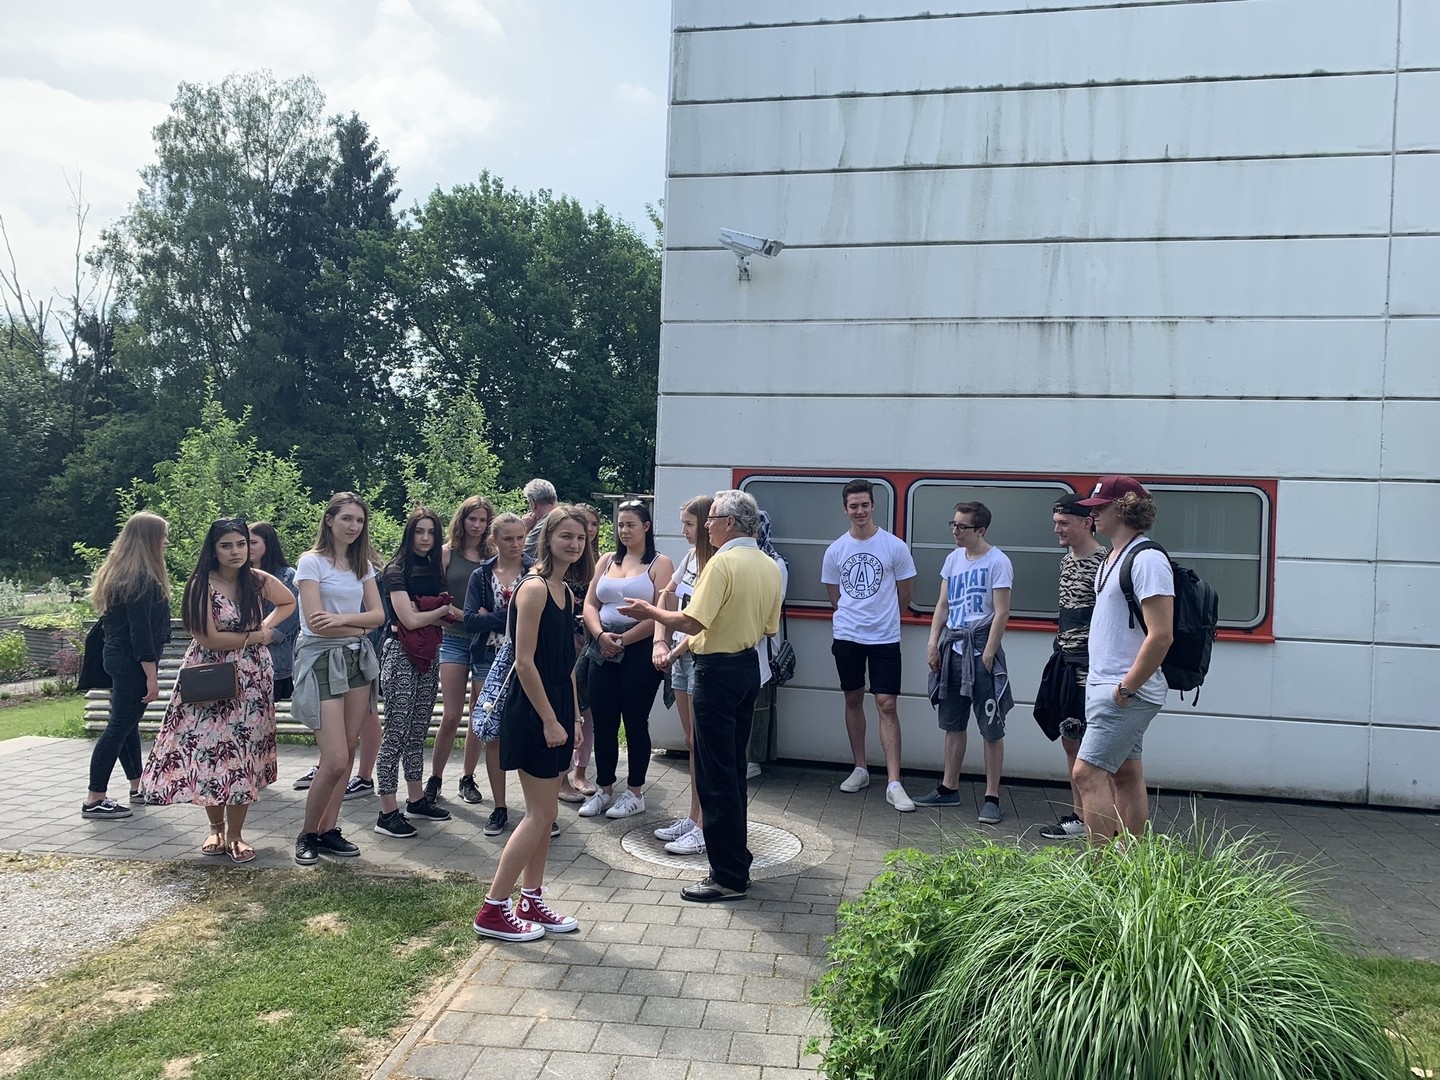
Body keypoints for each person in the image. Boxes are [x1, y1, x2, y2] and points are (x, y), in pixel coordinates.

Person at [619, 489, 782, 903]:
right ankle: (735, 862)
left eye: (711, 518)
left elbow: (691, 622)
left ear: (730, 523)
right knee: (732, 770)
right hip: (747, 667)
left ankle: (726, 876)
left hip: (718, 671)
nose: (707, 525)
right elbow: (768, 627)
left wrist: (650, 612)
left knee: (714, 775)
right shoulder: (768, 564)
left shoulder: (722, 562)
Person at [140, 517, 295, 862]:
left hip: (253, 677)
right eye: (226, 545)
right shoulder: (200, 584)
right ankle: (215, 829)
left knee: (244, 753)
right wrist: (257, 635)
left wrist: (265, 625)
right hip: (209, 674)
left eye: (241, 544)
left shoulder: (256, 580)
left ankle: (237, 835)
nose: (236, 551)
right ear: (213, 550)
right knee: (211, 753)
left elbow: (288, 602)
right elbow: (209, 638)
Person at [472, 506, 594, 941]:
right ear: (546, 537)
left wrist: (574, 717)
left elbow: (566, 666)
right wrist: (549, 719)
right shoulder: (535, 589)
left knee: (547, 812)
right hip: (533, 711)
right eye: (565, 535)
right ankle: (493, 909)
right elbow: (524, 663)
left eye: (580, 537)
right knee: (540, 813)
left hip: (559, 709)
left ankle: (532, 899)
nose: (574, 543)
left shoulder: (567, 591)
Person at [1072, 476, 1174, 843]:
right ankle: (1132, 864)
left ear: (1125, 508)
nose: (1093, 514)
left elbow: (1161, 634)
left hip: (1124, 688)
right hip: (1108, 685)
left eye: (1100, 507)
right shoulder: (1113, 557)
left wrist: (1126, 689)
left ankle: (1100, 872)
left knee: (1085, 773)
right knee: (1126, 774)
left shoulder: (1147, 560)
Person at [291, 493, 386, 865]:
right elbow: (316, 623)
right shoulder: (310, 563)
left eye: (359, 521)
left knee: (348, 749)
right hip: (320, 661)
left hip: (356, 659)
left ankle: (328, 830)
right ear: (329, 520)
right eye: (346, 518)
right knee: (333, 758)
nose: (353, 526)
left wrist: (349, 626)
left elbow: (378, 616)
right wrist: (357, 627)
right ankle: (306, 834)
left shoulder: (361, 565)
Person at [820, 478, 918, 811]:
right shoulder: (835, 550)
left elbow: (906, 594)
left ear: (873, 506)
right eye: (853, 506)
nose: (859, 511)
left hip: (885, 638)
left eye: (865, 505)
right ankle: (860, 767)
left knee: (887, 704)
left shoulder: (894, 547)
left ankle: (894, 782)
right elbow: (836, 597)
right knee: (853, 698)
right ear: (845, 509)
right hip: (847, 636)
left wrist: (884, 616)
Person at [916, 502, 1014, 823]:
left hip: (980, 647)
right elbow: (942, 605)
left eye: (962, 527)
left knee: (990, 727)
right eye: (953, 525)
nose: (955, 532)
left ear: (980, 530)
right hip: (953, 649)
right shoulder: (953, 559)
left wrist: (989, 652)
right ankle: (949, 788)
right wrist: (933, 643)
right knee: (953, 723)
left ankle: (992, 796)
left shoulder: (998, 562)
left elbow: (1001, 611)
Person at [579, 500, 673, 820]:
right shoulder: (606, 560)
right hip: (601, 647)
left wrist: (623, 640)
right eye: (620, 525)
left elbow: (662, 614)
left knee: (634, 721)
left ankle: (635, 792)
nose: (624, 531)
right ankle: (604, 788)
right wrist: (601, 636)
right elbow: (590, 604)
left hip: (639, 651)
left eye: (630, 524)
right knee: (604, 721)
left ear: (646, 526)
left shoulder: (660, 564)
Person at [374, 508, 462, 839]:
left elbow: (435, 618)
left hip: (429, 654)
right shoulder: (395, 569)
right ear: (409, 534)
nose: (425, 538)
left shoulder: (433, 569)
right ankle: (386, 812)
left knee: (417, 730)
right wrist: (439, 610)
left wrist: (434, 612)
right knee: (394, 732)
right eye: (419, 532)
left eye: (430, 533)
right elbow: (408, 620)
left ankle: (415, 800)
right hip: (400, 654)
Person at [83, 512, 172, 819]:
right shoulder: (142, 579)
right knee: (118, 727)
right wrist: (151, 676)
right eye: (162, 535)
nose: (166, 541)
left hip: (115, 656)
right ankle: (95, 798)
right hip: (132, 662)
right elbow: (141, 633)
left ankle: (138, 786)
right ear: (149, 539)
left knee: (126, 724)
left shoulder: (119, 573)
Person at [1034, 495, 1108, 840]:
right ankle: (1079, 817)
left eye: (1064, 523)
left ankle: (1101, 821)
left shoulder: (1105, 563)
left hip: (1091, 670)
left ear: (1086, 522)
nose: (1056, 529)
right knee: (1069, 739)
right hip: (1065, 662)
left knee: (1094, 745)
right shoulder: (1067, 561)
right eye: (1055, 522)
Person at [651, 495, 716, 855]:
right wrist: (660, 640)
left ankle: (705, 825)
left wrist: (673, 649)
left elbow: (705, 620)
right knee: (692, 742)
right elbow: (667, 594)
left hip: (697, 656)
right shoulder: (690, 558)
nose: (685, 531)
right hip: (678, 657)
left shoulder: (716, 563)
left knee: (704, 745)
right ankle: (693, 818)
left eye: (689, 524)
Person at [462, 512, 534, 835]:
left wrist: (491, 614)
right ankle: (500, 808)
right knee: (492, 733)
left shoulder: (535, 571)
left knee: (527, 730)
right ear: (494, 541)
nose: (516, 544)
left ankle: (538, 809)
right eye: (508, 539)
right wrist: (507, 614)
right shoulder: (481, 576)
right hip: (487, 659)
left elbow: (541, 618)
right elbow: (469, 620)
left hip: (528, 659)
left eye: (520, 537)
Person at [427, 495, 493, 803]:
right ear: (462, 520)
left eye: (483, 520)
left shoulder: (493, 554)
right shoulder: (445, 554)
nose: (478, 525)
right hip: (453, 636)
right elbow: (436, 596)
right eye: (472, 519)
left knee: (479, 714)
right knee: (451, 714)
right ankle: (435, 778)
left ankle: (468, 778)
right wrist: (462, 614)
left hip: (484, 640)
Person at [564, 503, 603, 799]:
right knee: (565, 708)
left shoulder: (602, 562)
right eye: (583, 525)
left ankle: (580, 771)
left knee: (587, 710)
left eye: (593, 525)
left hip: (590, 644)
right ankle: (560, 774)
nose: (588, 531)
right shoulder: (561, 561)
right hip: (563, 642)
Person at [247, 521, 300, 700]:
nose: (248, 548)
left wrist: (266, 635)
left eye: (253, 542)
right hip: (243, 655)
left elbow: (292, 614)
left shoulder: (287, 575)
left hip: (276, 657)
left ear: (268, 544)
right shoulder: (239, 575)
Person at [520, 478, 558, 559]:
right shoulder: (566, 516)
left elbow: (518, 555)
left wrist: (523, 529)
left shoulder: (545, 524)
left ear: (533, 503)